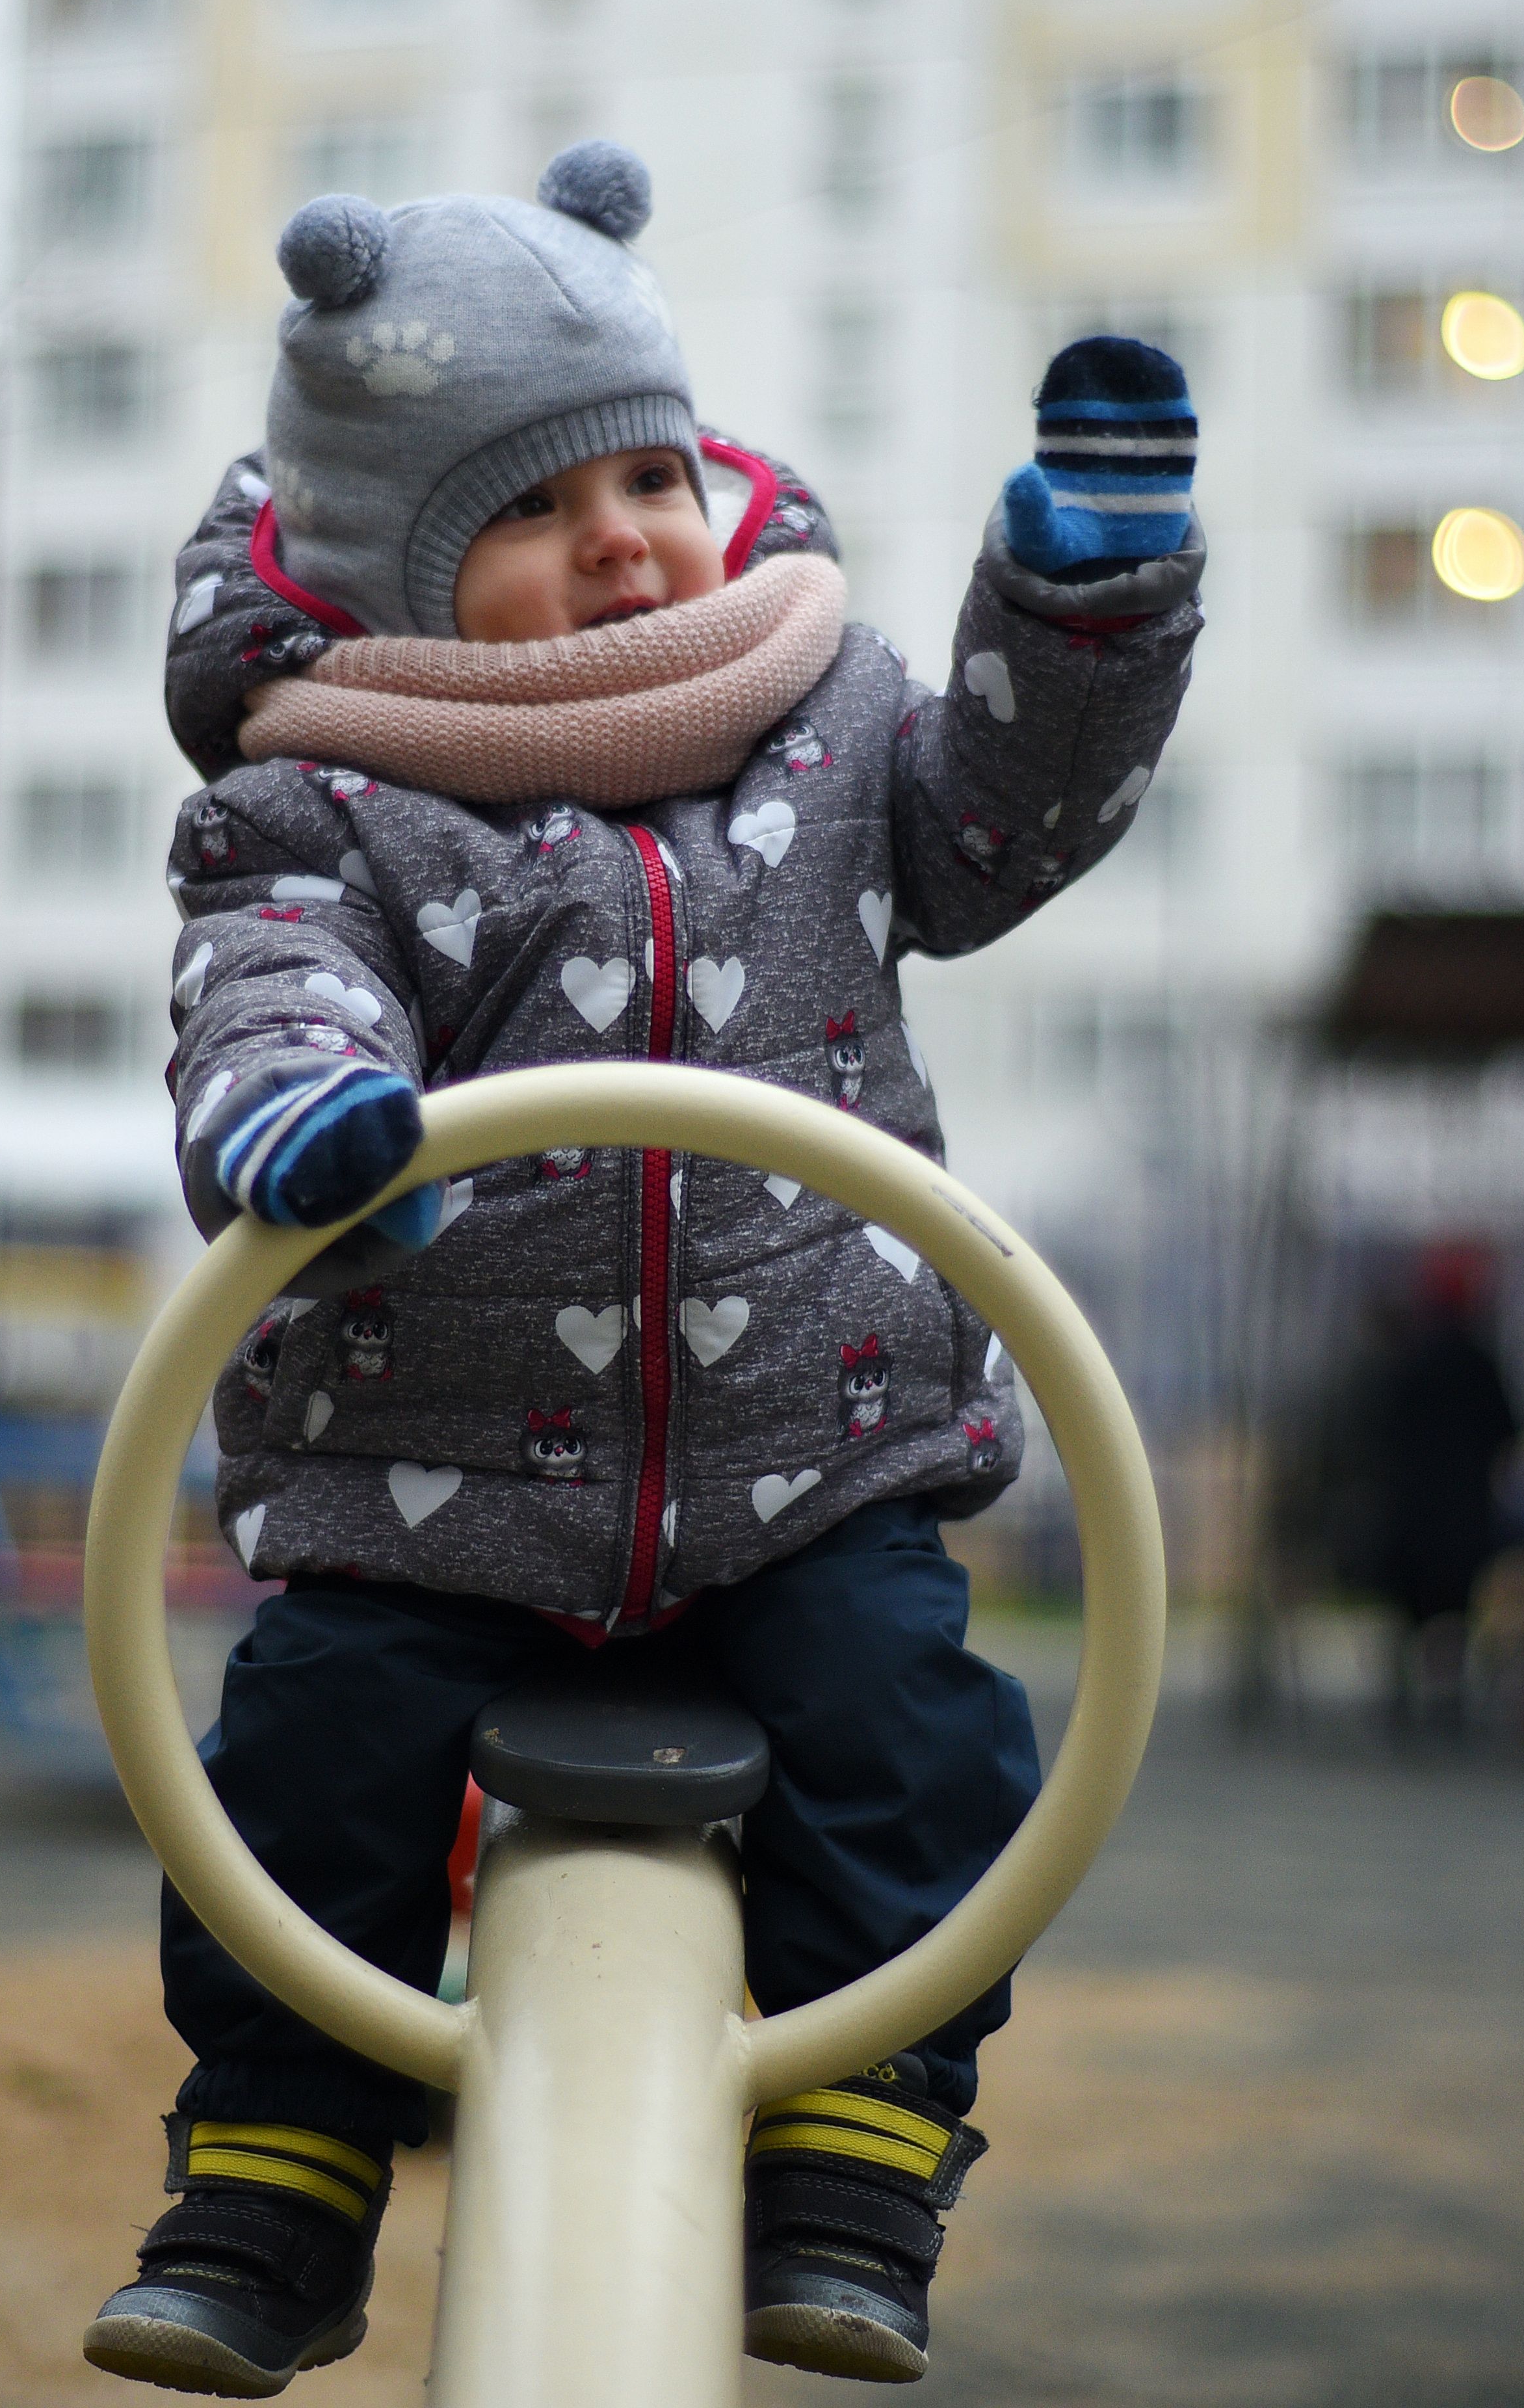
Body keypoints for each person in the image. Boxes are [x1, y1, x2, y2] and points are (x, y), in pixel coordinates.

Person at [83, 144, 1205, 2396]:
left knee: (907, 1726)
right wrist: (313, 1133)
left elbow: (1006, 816)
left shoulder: (827, 712)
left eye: (648, 470)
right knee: (306, 1758)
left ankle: (862, 2143)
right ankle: (279, 2178)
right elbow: (272, 989)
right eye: (531, 510)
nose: (621, 535)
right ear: (399, 568)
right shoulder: (323, 800)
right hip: (427, 1488)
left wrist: (1077, 613)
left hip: (809, 1458)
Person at [1367, 1240, 1520, 1740]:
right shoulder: (1481, 1363)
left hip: (1410, 1512)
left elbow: (1381, 1431)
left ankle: (1402, 1705)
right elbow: (1509, 1432)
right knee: (1455, 1617)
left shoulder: (1407, 1361)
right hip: (1463, 1514)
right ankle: (1449, 1706)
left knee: (1408, 1617)